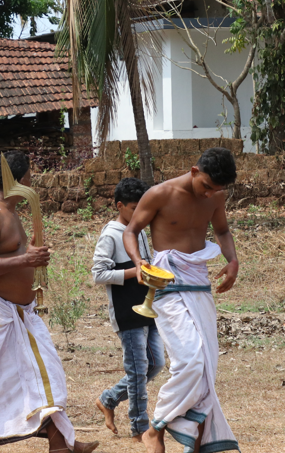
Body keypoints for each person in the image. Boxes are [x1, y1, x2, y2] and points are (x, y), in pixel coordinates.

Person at [0, 150, 98, 453]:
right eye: (29, 177)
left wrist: (30, 257)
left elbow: (10, 257)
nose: (32, 182)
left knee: (40, 379)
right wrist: (26, 257)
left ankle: (61, 441)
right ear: (19, 179)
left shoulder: (9, 212)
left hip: (17, 315)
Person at [122, 147, 240, 453]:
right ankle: (156, 427)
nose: (210, 194)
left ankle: (195, 436)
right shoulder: (160, 194)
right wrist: (138, 263)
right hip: (164, 282)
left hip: (198, 280)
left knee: (206, 365)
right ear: (193, 171)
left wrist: (233, 260)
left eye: (217, 190)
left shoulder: (216, 197)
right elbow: (132, 231)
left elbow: (222, 230)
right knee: (189, 359)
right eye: (207, 186)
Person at [92, 178, 165, 442]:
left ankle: (108, 400)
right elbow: (98, 273)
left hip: (148, 308)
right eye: (135, 208)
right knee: (138, 369)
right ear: (120, 206)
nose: (140, 213)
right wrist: (136, 272)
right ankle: (139, 428)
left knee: (155, 364)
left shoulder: (140, 231)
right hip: (127, 311)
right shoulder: (110, 234)